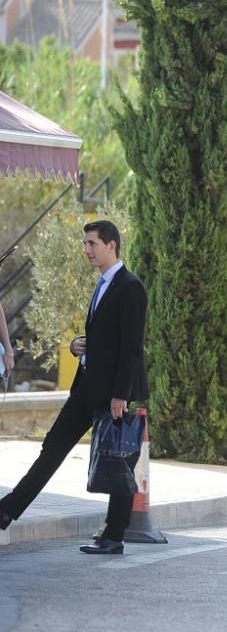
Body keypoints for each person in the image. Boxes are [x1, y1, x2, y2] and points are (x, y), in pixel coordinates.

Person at [0, 220, 149, 554]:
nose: (86, 250)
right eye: (85, 244)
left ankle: (114, 535)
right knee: (53, 445)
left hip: (113, 392)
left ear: (111, 245)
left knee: (118, 458)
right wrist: (76, 346)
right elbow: (105, 338)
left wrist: (121, 395)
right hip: (87, 387)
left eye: (92, 244)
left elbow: (131, 348)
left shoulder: (130, 287)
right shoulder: (103, 285)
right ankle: (8, 510)